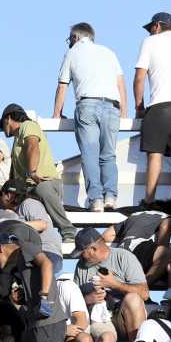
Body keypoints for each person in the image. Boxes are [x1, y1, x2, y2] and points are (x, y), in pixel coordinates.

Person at [52, 22, 126, 211]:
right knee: (108, 155)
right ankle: (110, 197)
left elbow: (62, 85)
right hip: (112, 106)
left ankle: (96, 199)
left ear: (76, 37)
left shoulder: (72, 52)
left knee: (90, 155)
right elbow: (120, 84)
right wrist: (124, 112)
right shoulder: (108, 52)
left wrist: (57, 113)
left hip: (87, 104)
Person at [0, 103, 75, 242]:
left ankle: (68, 231)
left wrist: (32, 172)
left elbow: (32, 146)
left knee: (42, 188)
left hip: (43, 182)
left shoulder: (28, 126)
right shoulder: (17, 139)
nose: (2, 129)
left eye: (2, 124)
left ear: (8, 119)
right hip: (29, 189)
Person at [133, 12, 171, 202]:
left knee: (155, 155)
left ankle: (149, 200)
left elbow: (139, 77)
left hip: (160, 106)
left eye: (151, 29)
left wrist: (139, 107)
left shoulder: (150, 43)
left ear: (157, 26)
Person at [73, 227, 149, 339]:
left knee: (133, 299)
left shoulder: (123, 257)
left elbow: (144, 294)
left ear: (93, 248)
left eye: (82, 253)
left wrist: (114, 284)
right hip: (97, 320)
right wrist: (87, 299)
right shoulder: (81, 266)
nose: (80, 257)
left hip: (123, 316)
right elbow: (73, 300)